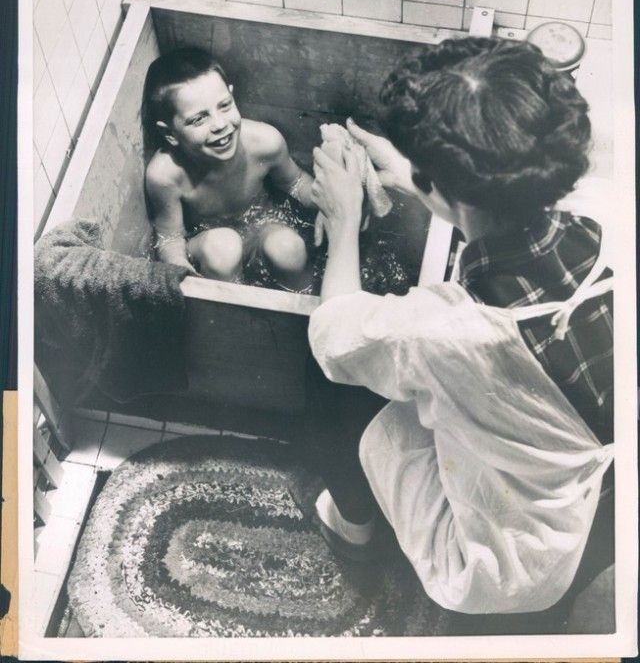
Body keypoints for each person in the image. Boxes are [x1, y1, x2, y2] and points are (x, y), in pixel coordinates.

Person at [306, 36, 614, 614]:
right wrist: (425, 179)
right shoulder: (608, 212)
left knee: (328, 377)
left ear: (442, 187)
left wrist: (344, 218)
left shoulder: (451, 333)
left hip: (510, 562)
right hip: (597, 497)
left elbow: (333, 336)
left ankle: (352, 533)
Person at [143, 48, 316, 291]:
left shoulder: (265, 142)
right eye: (198, 119)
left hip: (263, 226)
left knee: (289, 249)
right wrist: (181, 272)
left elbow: (296, 183)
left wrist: (331, 202)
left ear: (232, 96)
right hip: (209, 247)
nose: (220, 124)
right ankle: (232, 317)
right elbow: (170, 236)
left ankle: (307, 310)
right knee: (223, 248)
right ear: (170, 134)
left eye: (225, 105)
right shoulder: (166, 175)